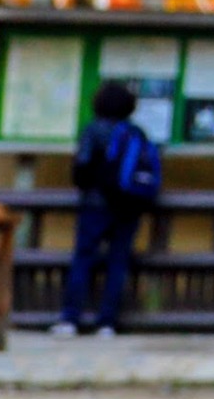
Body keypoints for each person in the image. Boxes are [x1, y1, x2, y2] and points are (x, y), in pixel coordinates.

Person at [56, 79, 162, 337]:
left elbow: (81, 168)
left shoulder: (93, 130)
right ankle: (107, 322)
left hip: (95, 204)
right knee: (118, 262)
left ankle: (71, 318)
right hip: (128, 206)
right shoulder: (136, 132)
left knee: (83, 258)